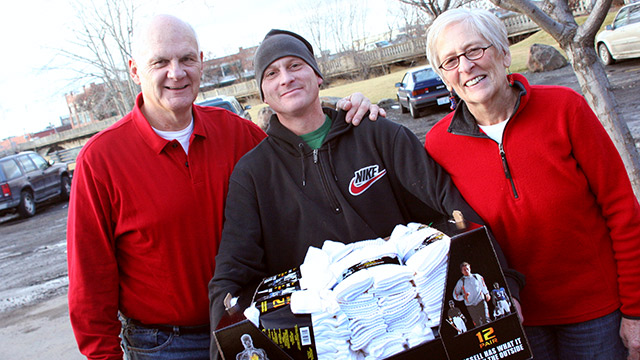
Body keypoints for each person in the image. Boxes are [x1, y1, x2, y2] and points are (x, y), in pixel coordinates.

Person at [66, 15, 383, 360]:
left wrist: (351, 118)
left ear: (201, 63)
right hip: (166, 346)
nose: (176, 72)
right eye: (160, 62)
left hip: (253, 324)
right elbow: (91, 281)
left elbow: (308, 153)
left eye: (187, 59)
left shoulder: (237, 134)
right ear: (134, 70)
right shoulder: (100, 160)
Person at [209, 29, 524, 358]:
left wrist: (504, 285)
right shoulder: (253, 175)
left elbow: (454, 211)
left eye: (295, 65)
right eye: (272, 73)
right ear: (263, 94)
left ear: (317, 75)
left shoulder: (378, 134)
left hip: (416, 332)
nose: (286, 78)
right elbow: (233, 271)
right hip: (334, 344)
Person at [424, 8, 640, 359]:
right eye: (450, 61)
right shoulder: (438, 145)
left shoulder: (565, 108)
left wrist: (635, 310)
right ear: (445, 78)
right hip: (514, 320)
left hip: (596, 316)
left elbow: (622, 210)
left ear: (503, 53)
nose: (465, 66)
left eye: (475, 50)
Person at [452, 262, 491, 327]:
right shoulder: (461, 281)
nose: (466, 271)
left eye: (467, 269)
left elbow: (483, 286)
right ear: (462, 271)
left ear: (470, 268)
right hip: (470, 305)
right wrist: (463, 297)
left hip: (481, 301)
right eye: (464, 270)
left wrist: (487, 294)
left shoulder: (477, 276)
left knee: (486, 320)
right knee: (477, 323)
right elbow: (455, 295)